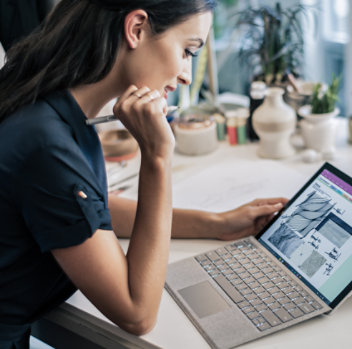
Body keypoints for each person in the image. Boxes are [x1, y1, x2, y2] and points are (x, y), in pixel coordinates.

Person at [0, 1, 287, 348]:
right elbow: (137, 312)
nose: (186, 74)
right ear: (136, 29)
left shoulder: (53, 105)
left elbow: (91, 213)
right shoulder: (46, 145)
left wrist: (215, 222)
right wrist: (157, 158)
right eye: (187, 51)